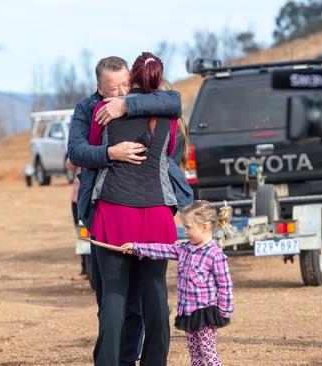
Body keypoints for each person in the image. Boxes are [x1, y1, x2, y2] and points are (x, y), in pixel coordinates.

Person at [68, 55, 192, 366]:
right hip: (157, 214)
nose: (121, 91)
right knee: (155, 296)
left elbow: (90, 147)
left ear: (133, 77)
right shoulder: (164, 113)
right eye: (114, 88)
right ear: (99, 86)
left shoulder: (104, 112)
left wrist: (123, 109)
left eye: (125, 84)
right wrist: (111, 152)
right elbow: (78, 150)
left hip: (114, 212)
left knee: (114, 296)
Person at [121, 200, 234, 366]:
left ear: (204, 227)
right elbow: (162, 250)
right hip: (187, 312)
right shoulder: (184, 249)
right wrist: (137, 248)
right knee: (195, 354)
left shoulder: (215, 255)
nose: (185, 232)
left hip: (205, 314)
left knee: (208, 354)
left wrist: (225, 311)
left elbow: (225, 285)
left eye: (188, 227)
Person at [66, 157, 89, 281]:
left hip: (90, 197)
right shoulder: (80, 144)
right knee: (82, 233)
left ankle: (88, 269)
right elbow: (69, 164)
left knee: (86, 233)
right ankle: (85, 268)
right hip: (77, 197)